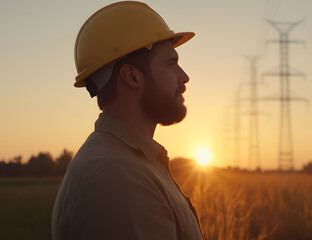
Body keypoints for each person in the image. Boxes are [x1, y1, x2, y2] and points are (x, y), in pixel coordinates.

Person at [51, 2, 204, 239]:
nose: (184, 77)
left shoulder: (132, 163)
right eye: (171, 64)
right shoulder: (117, 177)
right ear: (131, 76)